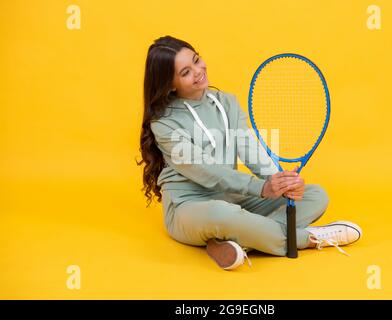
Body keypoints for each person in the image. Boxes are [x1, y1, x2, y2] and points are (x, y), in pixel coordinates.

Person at [138, 35, 362, 270]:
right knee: (221, 213)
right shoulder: (163, 122)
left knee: (316, 195)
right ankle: (310, 238)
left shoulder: (227, 103)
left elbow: (250, 149)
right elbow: (205, 170)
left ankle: (234, 242)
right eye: (185, 72)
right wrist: (261, 188)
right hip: (189, 208)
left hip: (233, 198)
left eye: (196, 60)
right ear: (170, 84)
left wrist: (280, 181)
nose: (198, 71)